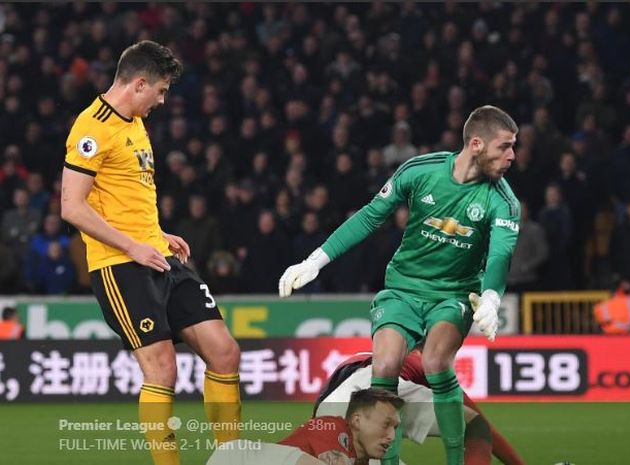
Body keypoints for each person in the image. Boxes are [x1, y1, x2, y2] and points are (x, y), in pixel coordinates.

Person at [280, 105, 520, 465]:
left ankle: (455, 460)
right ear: (476, 144)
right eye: (505, 147)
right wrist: (316, 259)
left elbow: (500, 255)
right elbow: (369, 216)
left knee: (437, 362)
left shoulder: (503, 201)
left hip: (453, 295)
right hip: (402, 290)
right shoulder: (419, 171)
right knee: (386, 366)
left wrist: (489, 299)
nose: (512, 156)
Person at [60, 40, 240, 465]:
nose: (162, 100)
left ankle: (232, 458)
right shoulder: (92, 128)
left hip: (157, 253)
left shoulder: (135, 122)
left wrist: (158, 234)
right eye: (159, 91)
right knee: (162, 370)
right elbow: (71, 206)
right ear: (138, 84)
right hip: (120, 264)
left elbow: (128, 197)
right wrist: (133, 246)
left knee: (225, 352)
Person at [314, 352, 527, 465]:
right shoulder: (424, 362)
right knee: (474, 426)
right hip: (363, 392)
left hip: (326, 414)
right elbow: (479, 427)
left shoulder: (386, 352)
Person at [207, 388, 404, 465]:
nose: (392, 436)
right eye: (386, 425)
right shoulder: (331, 426)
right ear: (357, 420)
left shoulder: (370, 460)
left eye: (395, 428)